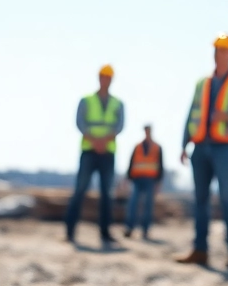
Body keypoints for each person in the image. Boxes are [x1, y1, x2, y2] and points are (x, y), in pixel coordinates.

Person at [175, 33, 228, 271]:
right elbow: (191, 113)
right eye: (215, 50)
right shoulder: (202, 83)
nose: (218, 54)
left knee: (227, 198)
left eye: (222, 50)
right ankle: (200, 250)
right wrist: (184, 145)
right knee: (200, 200)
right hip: (200, 148)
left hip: (224, 148)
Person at [65, 64, 125, 248]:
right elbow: (80, 123)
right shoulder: (86, 100)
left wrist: (104, 141)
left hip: (107, 152)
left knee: (107, 194)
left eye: (108, 77)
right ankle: (70, 230)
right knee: (80, 190)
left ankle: (105, 233)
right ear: (99, 78)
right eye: (103, 76)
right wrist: (95, 140)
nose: (105, 80)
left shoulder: (117, 103)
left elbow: (120, 125)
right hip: (89, 151)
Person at [124, 124, 164, 240]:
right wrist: (128, 178)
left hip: (150, 180)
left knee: (148, 205)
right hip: (137, 179)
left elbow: (160, 165)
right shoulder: (137, 147)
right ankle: (129, 228)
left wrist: (158, 182)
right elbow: (131, 162)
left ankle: (145, 230)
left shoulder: (157, 147)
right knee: (133, 203)